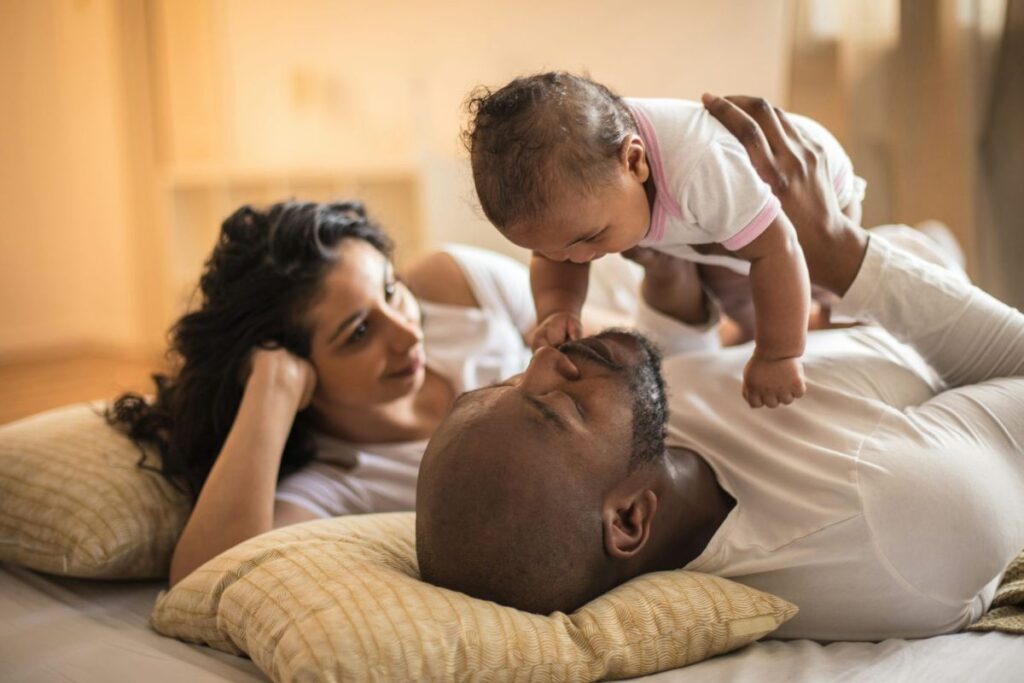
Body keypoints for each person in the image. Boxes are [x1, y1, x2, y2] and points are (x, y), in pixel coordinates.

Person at [416, 95, 1024, 641]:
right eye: (557, 405)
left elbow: (698, 387)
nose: (545, 359)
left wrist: (673, 290)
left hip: (810, 318)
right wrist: (844, 254)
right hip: (897, 316)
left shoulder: (646, 459)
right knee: (929, 246)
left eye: (508, 380)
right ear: (630, 518)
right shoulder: (899, 516)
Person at [108, 199, 686, 587]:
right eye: (359, 333)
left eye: (391, 290)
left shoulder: (449, 285)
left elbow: (649, 356)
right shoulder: (338, 482)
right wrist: (271, 391)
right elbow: (201, 580)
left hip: (649, 307)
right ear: (300, 368)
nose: (409, 332)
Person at [465, 72, 865, 408]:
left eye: (589, 239)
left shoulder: (699, 170)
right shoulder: (588, 190)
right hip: (720, 229)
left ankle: (825, 315)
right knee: (738, 299)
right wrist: (558, 309)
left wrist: (778, 356)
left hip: (812, 200)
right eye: (553, 251)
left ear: (635, 161)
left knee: (829, 288)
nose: (579, 257)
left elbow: (779, 249)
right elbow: (555, 256)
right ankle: (756, 327)